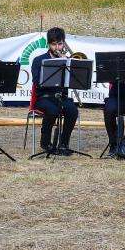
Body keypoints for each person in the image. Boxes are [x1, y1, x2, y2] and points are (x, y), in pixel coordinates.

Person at [30, 27, 80, 155]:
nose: (57, 47)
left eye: (59, 44)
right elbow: (36, 83)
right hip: (44, 98)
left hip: (61, 97)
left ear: (63, 43)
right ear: (49, 44)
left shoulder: (68, 60)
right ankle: (45, 143)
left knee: (73, 110)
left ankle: (63, 143)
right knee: (52, 110)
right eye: (54, 44)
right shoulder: (39, 60)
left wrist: (67, 63)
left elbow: (75, 80)